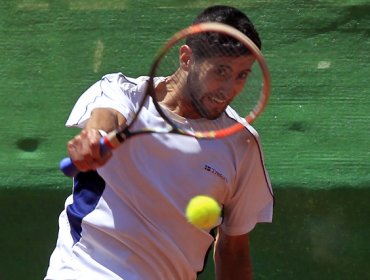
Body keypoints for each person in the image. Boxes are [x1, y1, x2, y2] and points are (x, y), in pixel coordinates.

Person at [45, 5, 274, 280]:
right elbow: (105, 118)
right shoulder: (121, 93)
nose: (229, 89)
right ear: (187, 58)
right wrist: (94, 139)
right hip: (86, 271)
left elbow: (234, 249)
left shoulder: (241, 143)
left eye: (242, 75)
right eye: (220, 72)